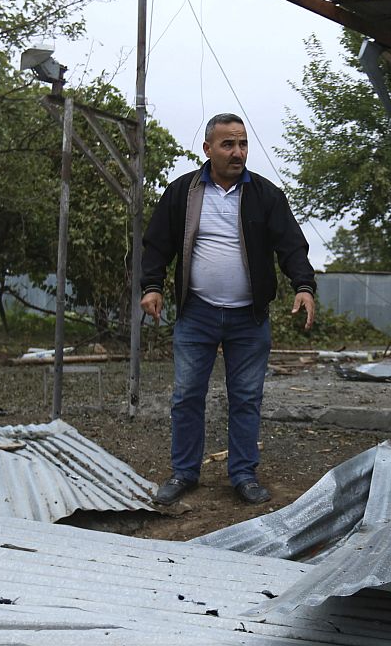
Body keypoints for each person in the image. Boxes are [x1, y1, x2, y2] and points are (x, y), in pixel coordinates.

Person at [140, 113, 316, 506]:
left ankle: (242, 474)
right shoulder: (182, 193)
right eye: (228, 144)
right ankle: (184, 472)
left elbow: (291, 245)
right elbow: (157, 245)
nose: (237, 152)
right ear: (207, 149)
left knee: (246, 396)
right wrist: (152, 286)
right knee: (186, 395)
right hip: (197, 313)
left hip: (248, 317)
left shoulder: (266, 195)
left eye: (242, 144)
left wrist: (303, 286)